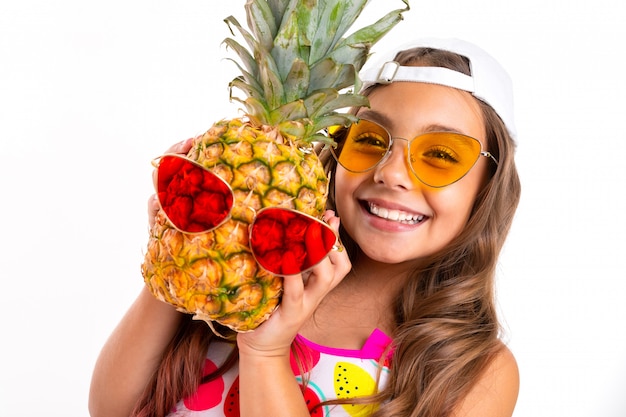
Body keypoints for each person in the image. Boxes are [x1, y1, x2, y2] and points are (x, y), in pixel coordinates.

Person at [89, 37, 521, 417]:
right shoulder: (248, 267)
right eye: (368, 139)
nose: (392, 174)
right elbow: (111, 410)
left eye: (441, 155)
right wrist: (179, 249)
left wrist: (264, 353)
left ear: (488, 186)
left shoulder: (475, 370)